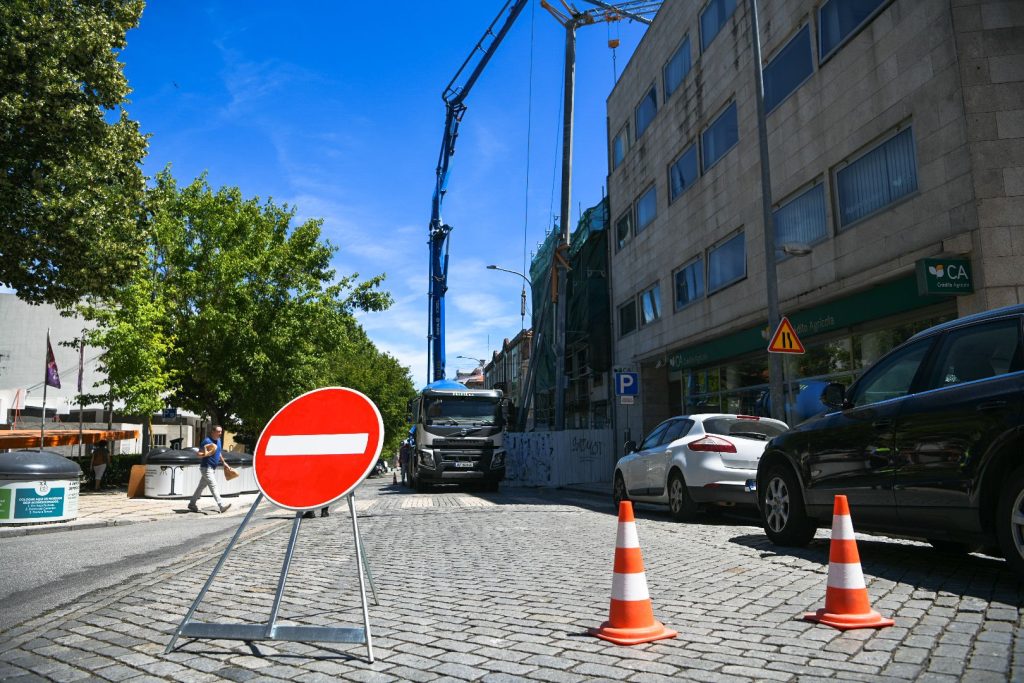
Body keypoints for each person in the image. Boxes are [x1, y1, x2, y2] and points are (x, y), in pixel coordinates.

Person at [187, 425, 231, 513]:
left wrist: (224, 462)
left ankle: (192, 504)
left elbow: (219, 453)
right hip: (206, 468)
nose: (220, 433)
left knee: (200, 487)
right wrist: (206, 454)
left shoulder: (218, 440)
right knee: (213, 485)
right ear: (213, 432)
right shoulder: (207, 441)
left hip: (211, 468)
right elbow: (198, 454)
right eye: (218, 431)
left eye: (221, 432)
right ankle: (221, 505)